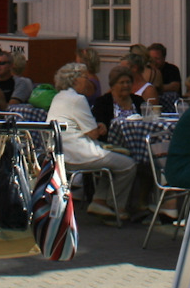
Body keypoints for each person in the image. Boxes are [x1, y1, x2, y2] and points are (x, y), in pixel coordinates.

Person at [49, 62, 138, 222]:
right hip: (78, 154)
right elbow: (93, 134)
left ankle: (99, 201)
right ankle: (116, 206)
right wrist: (100, 128)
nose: (88, 81)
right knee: (128, 164)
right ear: (75, 80)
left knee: (113, 160)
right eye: (85, 77)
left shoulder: (59, 97)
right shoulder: (77, 99)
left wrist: (96, 128)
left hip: (61, 154)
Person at [92, 65, 144, 129]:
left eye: (128, 82)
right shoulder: (102, 102)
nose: (126, 85)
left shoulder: (138, 100)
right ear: (113, 85)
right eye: (122, 82)